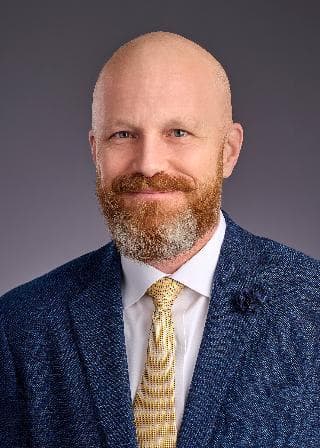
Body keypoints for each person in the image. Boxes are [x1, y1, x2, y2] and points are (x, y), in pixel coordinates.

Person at [0, 31, 319, 448]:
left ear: (228, 151)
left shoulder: (311, 306)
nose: (148, 163)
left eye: (179, 132)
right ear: (96, 152)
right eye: (123, 135)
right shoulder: (19, 327)